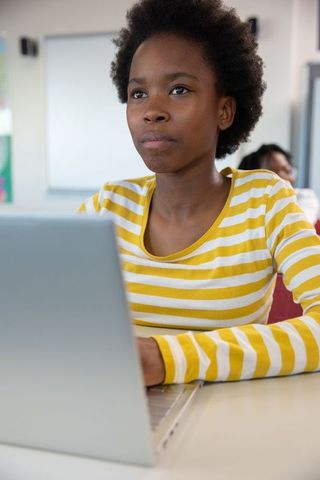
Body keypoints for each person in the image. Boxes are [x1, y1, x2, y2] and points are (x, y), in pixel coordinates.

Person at [79, 0, 320, 386]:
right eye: (138, 94)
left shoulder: (265, 202)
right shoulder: (105, 208)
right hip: (111, 407)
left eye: (178, 89)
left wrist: (167, 359)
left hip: (223, 422)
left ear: (224, 111)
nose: (151, 110)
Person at [239, 144, 320, 225]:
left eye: (287, 167)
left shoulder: (304, 197)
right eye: (275, 171)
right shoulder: (244, 209)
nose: (288, 170)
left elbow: (296, 227)